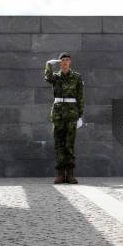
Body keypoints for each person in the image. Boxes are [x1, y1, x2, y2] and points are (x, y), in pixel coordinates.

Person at [44, 52, 84, 184]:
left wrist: (80, 116)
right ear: (60, 63)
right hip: (58, 114)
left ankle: (70, 174)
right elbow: (47, 78)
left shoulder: (77, 77)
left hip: (72, 113)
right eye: (63, 60)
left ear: (70, 62)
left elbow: (80, 97)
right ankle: (60, 174)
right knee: (59, 144)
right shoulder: (55, 77)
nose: (65, 62)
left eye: (67, 60)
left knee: (69, 144)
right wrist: (48, 65)